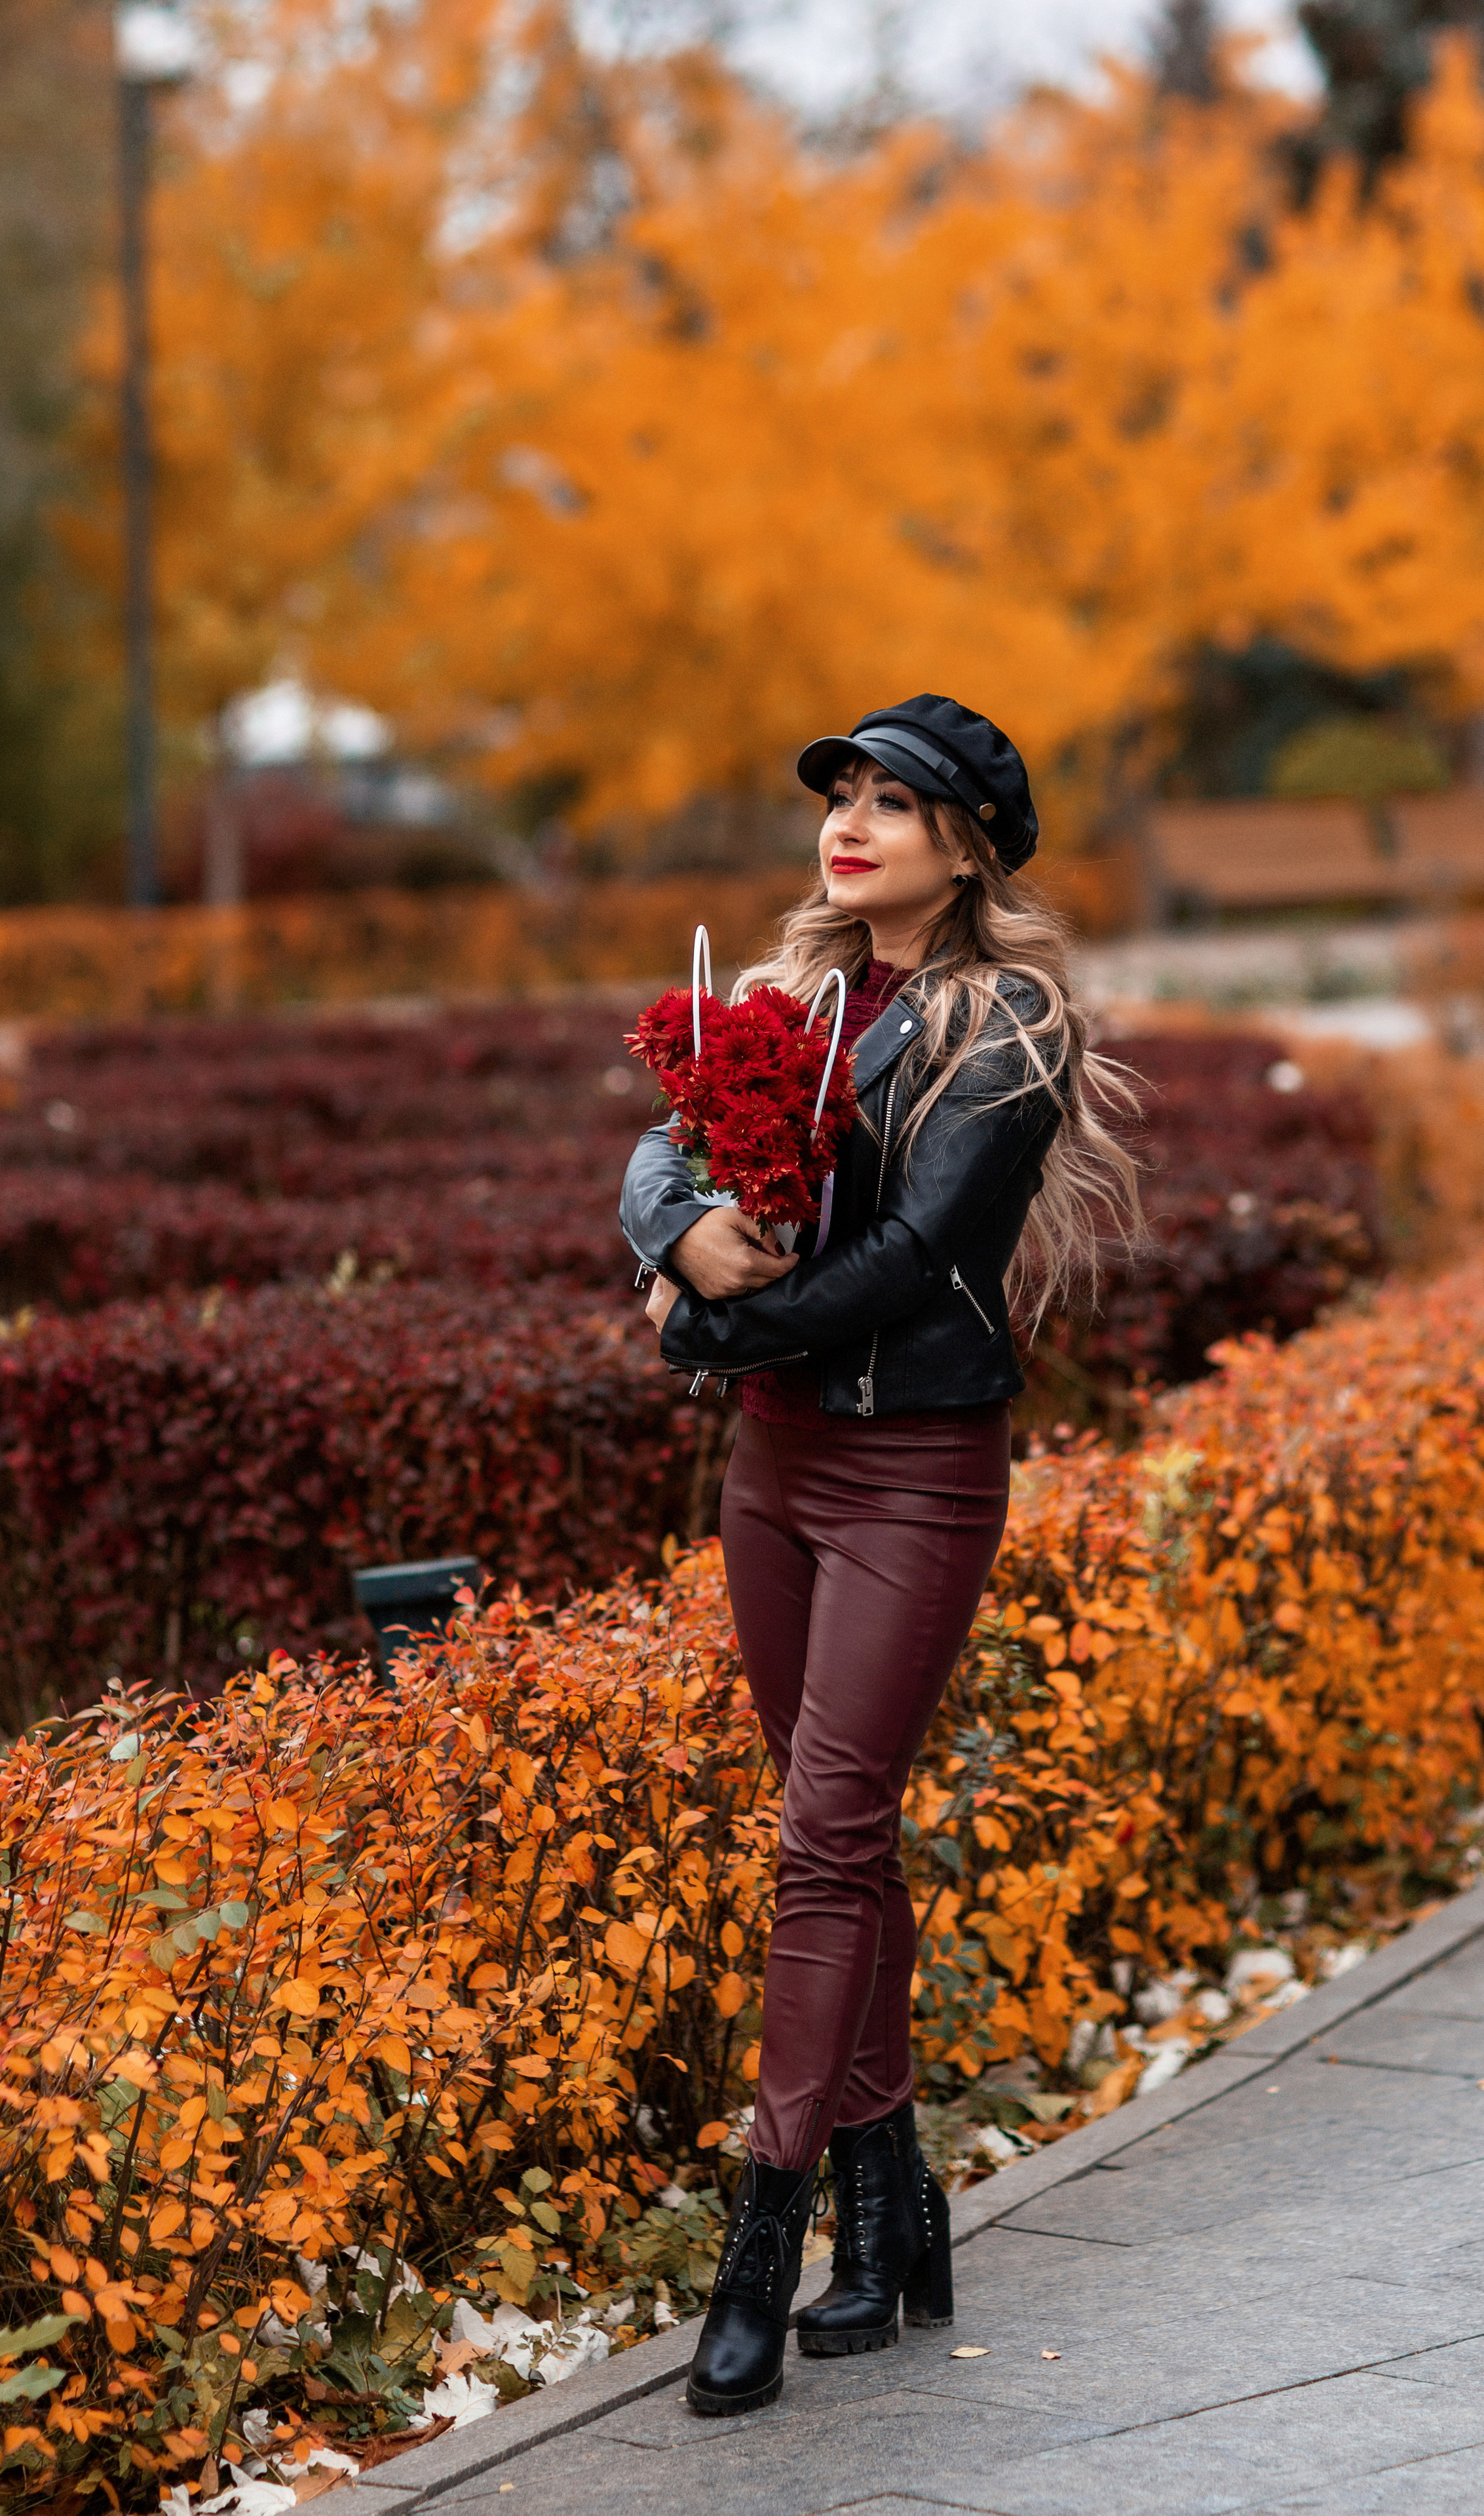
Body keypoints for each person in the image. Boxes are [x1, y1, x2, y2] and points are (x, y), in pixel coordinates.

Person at [619, 693, 1141, 2418]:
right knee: (845, 1846)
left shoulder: (1012, 1024)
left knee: (821, 1841)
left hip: (913, 1473)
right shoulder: (791, 994)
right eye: (841, 792)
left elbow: (921, 1257)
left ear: (969, 841)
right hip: (777, 1472)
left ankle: (760, 2248)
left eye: (893, 801)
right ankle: (892, 2204)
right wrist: (679, 1233)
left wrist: (711, 1335)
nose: (851, 820)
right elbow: (658, 1141)